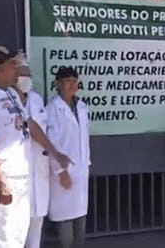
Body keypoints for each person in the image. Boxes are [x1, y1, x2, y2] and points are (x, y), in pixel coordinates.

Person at [0, 46, 71, 248]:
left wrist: (56, 153)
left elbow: (32, 126)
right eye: (11, 66)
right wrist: (0, 181)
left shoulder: (10, 96)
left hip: (22, 178)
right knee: (2, 237)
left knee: (18, 236)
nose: (16, 71)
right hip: (5, 177)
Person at [46, 67, 92, 248]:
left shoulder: (81, 106)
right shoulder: (52, 109)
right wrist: (61, 171)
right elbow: (52, 142)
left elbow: (85, 138)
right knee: (65, 223)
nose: (72, 84)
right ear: (58, 84)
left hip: (80, 169)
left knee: (80, 221)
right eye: (67, 80)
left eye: (75, 80)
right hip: (63, 171)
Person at [13, 55, 50, 248]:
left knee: (37, 223)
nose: (25, 78)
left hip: (39, 170)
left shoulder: (36, 99)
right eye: (21, 74)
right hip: (18, 171)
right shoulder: (6, 99)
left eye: (28, 74)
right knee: (17, 227)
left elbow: (43, 130)